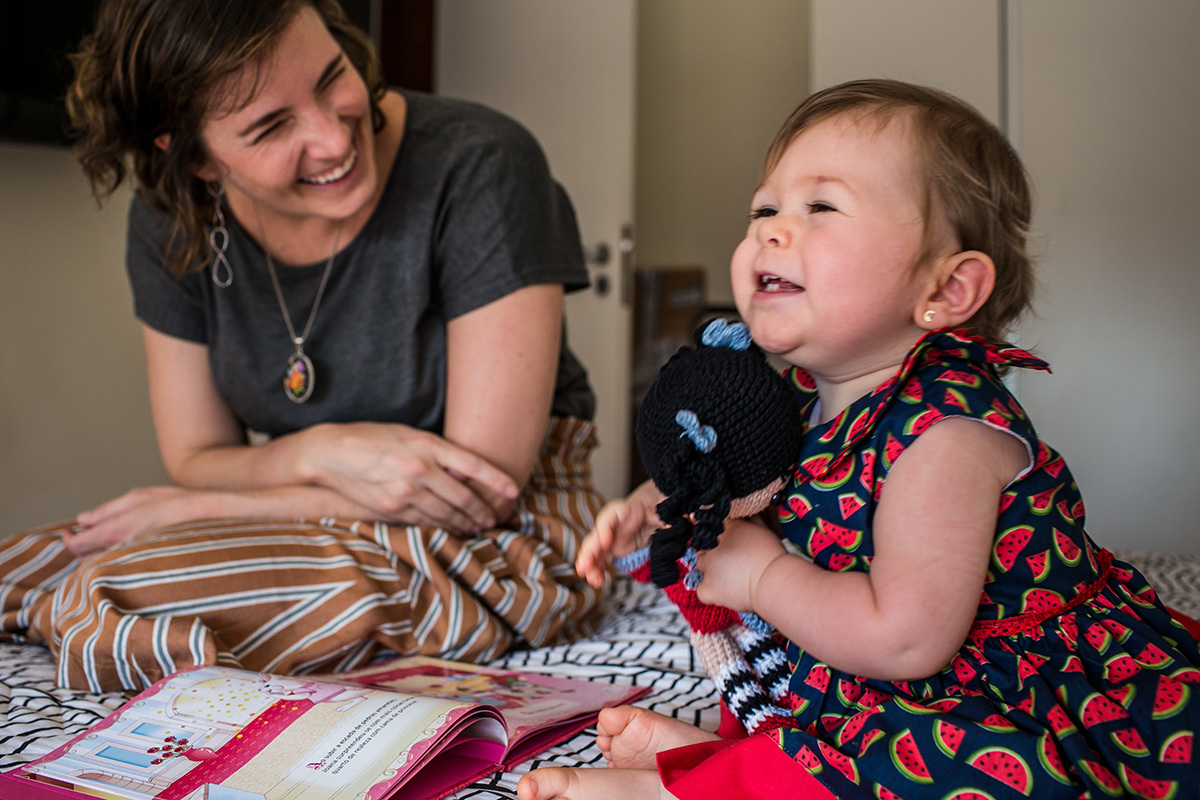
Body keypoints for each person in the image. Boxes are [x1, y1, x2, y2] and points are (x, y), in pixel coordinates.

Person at [518, 79, 1200, 800]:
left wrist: (762, 578)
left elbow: (905, 641)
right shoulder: (799, 398)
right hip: (855, 672)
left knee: (946, 770)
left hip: (994, 689)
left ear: (947, 290)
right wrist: (654, 505)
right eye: (764, 209)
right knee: (797, 677)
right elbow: (747, 483)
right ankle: (736, 762)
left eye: (820, 208)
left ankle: (693, 788)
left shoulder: (949, 435)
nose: (769, 232)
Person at [0, 0, 606, 694]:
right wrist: (321, 452)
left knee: (110, 593)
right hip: (317, 510)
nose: (332, 138)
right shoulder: (173, 220)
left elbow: (476, 492)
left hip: (502, 539)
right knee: (17, 572)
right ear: (194, 157)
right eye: (270, 126)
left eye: (330, 77)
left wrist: (203, 508)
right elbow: (195, 454)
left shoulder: (483, 165)